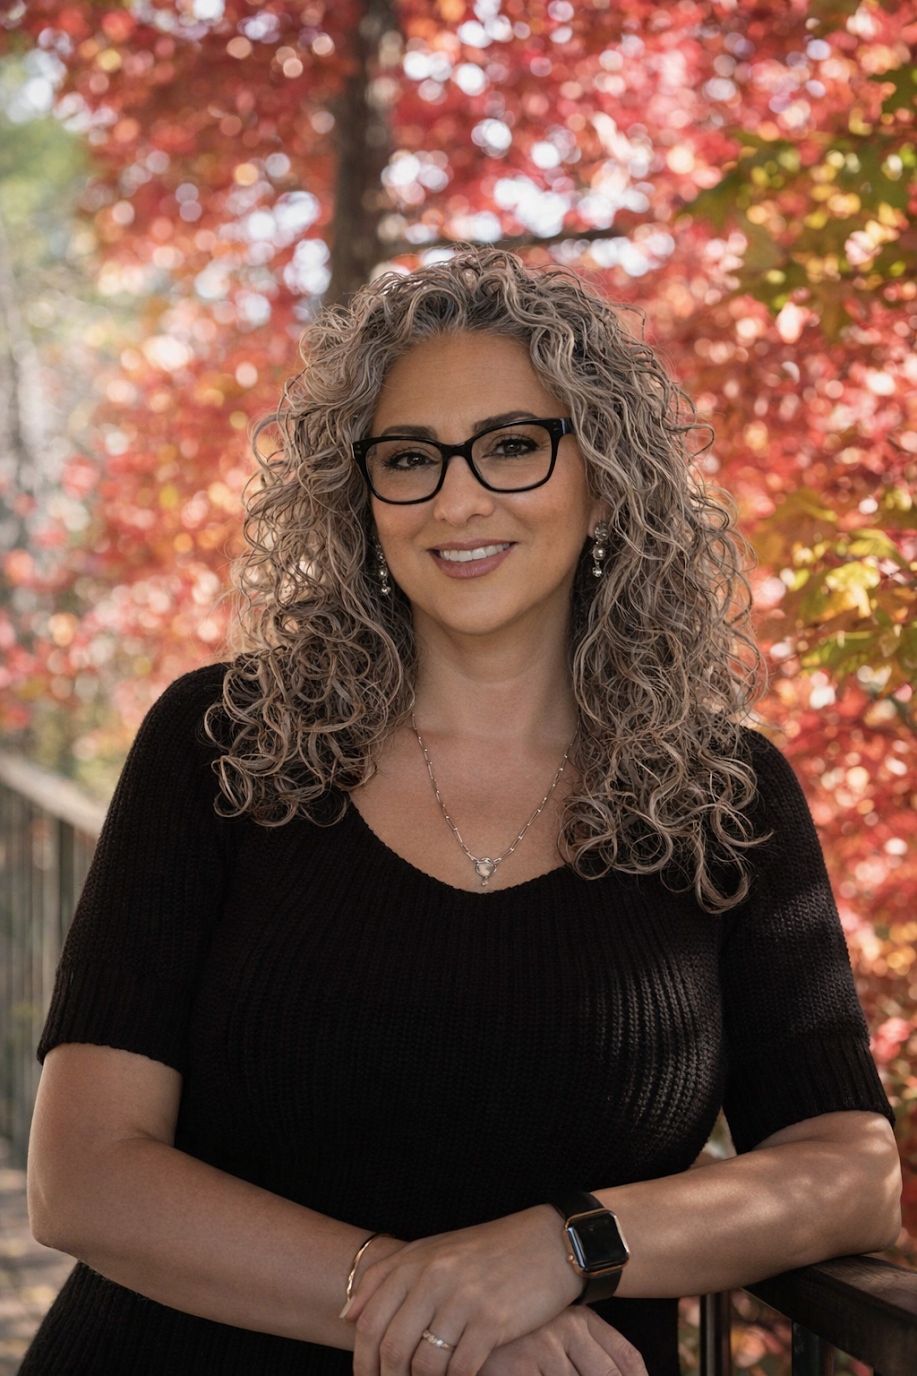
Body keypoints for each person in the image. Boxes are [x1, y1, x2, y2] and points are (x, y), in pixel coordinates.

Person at [22, 246, 900, 1376]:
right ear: (361, 499)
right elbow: (82, 1173)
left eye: (512, 445)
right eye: (408, 458)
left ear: (606, 478)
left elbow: (850, 1168)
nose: (457, 496)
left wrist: (562, 1247)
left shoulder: (723, 797)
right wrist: (438, 1316)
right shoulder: (223, 741)